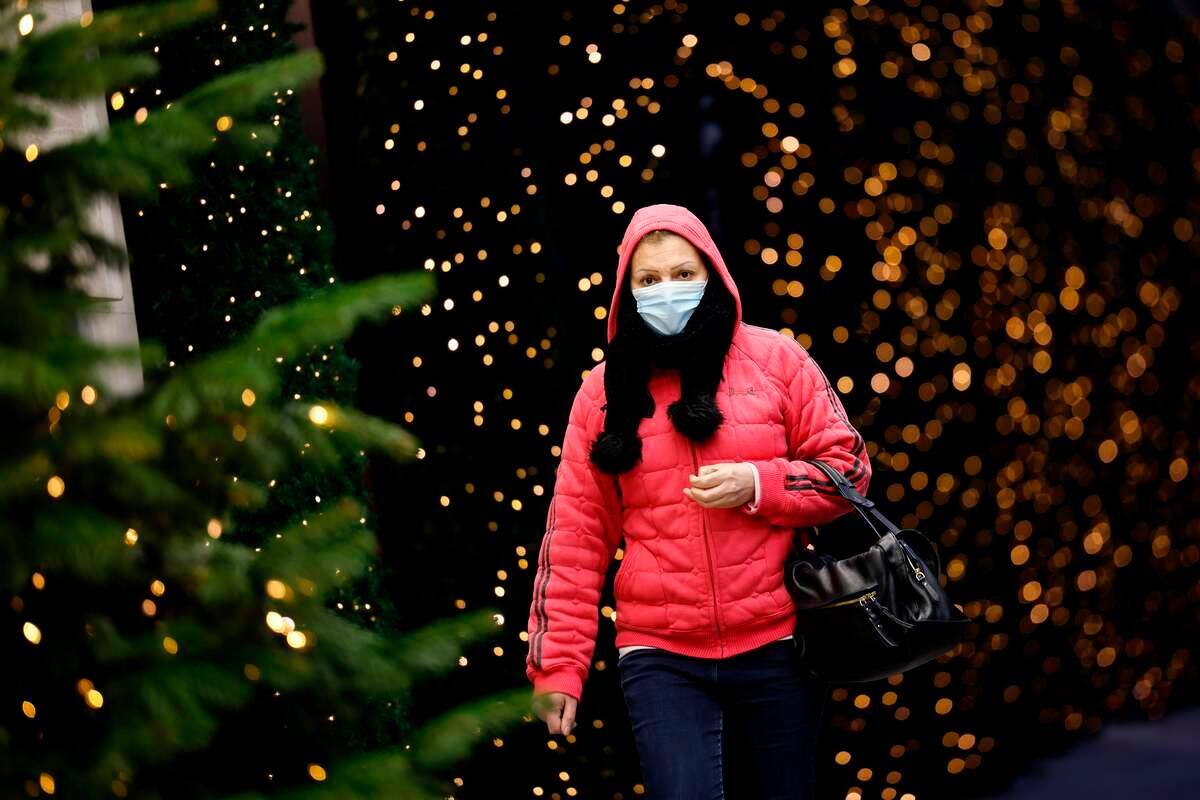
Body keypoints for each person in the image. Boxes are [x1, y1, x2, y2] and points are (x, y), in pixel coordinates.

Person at [526, 203, 871, 799]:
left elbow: (849, 471)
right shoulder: (598, 394)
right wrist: (557, 667)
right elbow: (575, 538)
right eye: (649, 280)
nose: (669, 291)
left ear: (713, 275)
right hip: (659, 653)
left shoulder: (776, 362)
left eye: (684, 275)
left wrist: (759, 485)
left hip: (778, 639)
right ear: (626, 293)